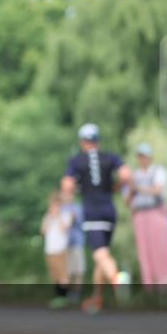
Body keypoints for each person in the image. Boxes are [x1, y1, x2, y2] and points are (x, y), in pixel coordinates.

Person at [60, 124, 132, 314]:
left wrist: (75, 191)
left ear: (82, 142)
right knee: (104, 254)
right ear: (97, 140)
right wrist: (115, 187)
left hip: (92, 211)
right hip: (109, 210)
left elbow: (67, 185)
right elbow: (126, 174)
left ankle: (117, 279)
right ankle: (97, 298)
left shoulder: (77, 161)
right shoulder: (110, 157)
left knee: (99, 254)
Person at [126, 143, 167, 288]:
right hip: (140, 215)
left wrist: (138, 187)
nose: (143, 159)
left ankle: (166, 285)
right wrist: (131, 190)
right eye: (140, 156)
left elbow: (158, 190)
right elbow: (128, 200)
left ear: (150, 157)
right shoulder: (134, 175)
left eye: (145, 156)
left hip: (156, 213)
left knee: (161, 250)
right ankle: (149, 287)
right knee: (144, 253)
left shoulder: (158, 171)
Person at [41, 192, 73, 309]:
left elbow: (64, 228)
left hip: (61, 249)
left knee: (63, 275)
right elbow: (43, 231)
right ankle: (57, 296)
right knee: (54, 275)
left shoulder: (65, 215)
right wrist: (50, 217)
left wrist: (58, 216)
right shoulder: (48, 216)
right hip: (50, 250)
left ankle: (65, 296)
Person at [61, 201, 86, 304]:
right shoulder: (61, 208)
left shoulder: (78, 208)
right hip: (64, 244)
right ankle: (67, 295)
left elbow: (82, 222)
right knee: (68, 271)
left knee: (79, 271)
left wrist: (74, 217)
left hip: (77, 243)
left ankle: (77, 294)